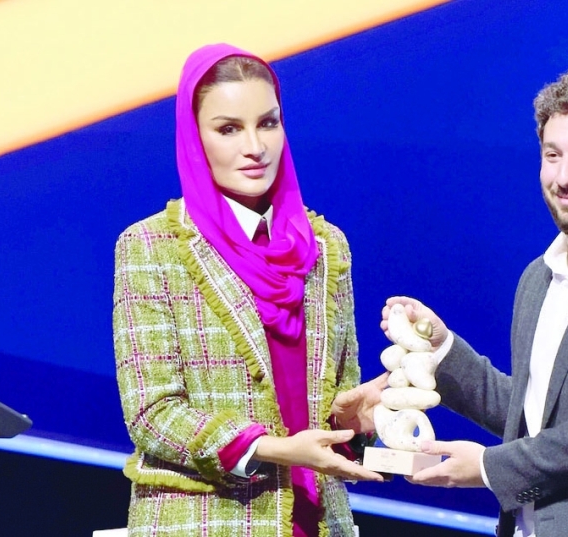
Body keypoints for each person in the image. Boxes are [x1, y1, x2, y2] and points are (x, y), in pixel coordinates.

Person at [335, 65, 568, 536]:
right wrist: (441, 352)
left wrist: (488, 469)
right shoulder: (539, 277)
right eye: (552, 155)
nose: (565, 176)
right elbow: (532, 417)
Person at [112, 43, 382, 537]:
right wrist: (270, 449)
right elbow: (152, 414)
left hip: (318, 521)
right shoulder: (154, 246)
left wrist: (352, 420)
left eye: (268, 123)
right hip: (206, 521)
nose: (255, 146)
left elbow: (336, 404)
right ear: (195, 138)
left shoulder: (324, 248)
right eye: (228, 129)